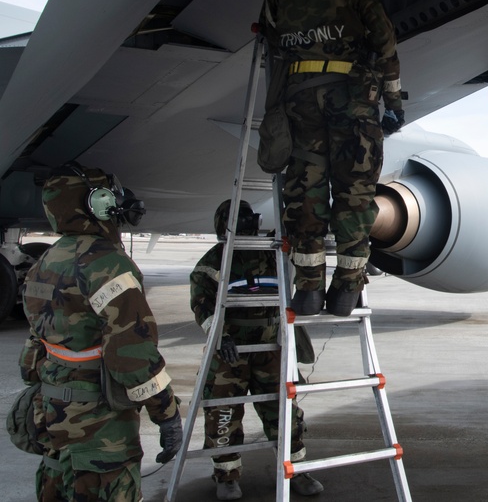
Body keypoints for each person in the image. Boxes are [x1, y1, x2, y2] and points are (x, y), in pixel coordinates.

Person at [259, 0, 404, 317]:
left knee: (305, 188)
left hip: (300, 99)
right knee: (354, 191)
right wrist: (393, 102)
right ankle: (346, 290)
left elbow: (271, 40)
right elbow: (385, 44)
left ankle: (306, 289)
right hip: (351, 99)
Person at [17, 163, 183, 501]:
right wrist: (166, 414)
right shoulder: (107, 263)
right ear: (96, 203)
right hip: (100, 433)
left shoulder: (45, 261)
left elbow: (34, 350)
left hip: (52, 419)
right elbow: (131, 352)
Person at [189, 200, 323, 500]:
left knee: (284, 409)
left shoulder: (271, 253)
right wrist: (218, 336)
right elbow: (201, 304)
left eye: (251, 219)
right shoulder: (213, 263)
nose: (248, 224)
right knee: (223, 411)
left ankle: (296, 469)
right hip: (231, 351)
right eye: (241, 219)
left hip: (270, 345)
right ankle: (226, 476)